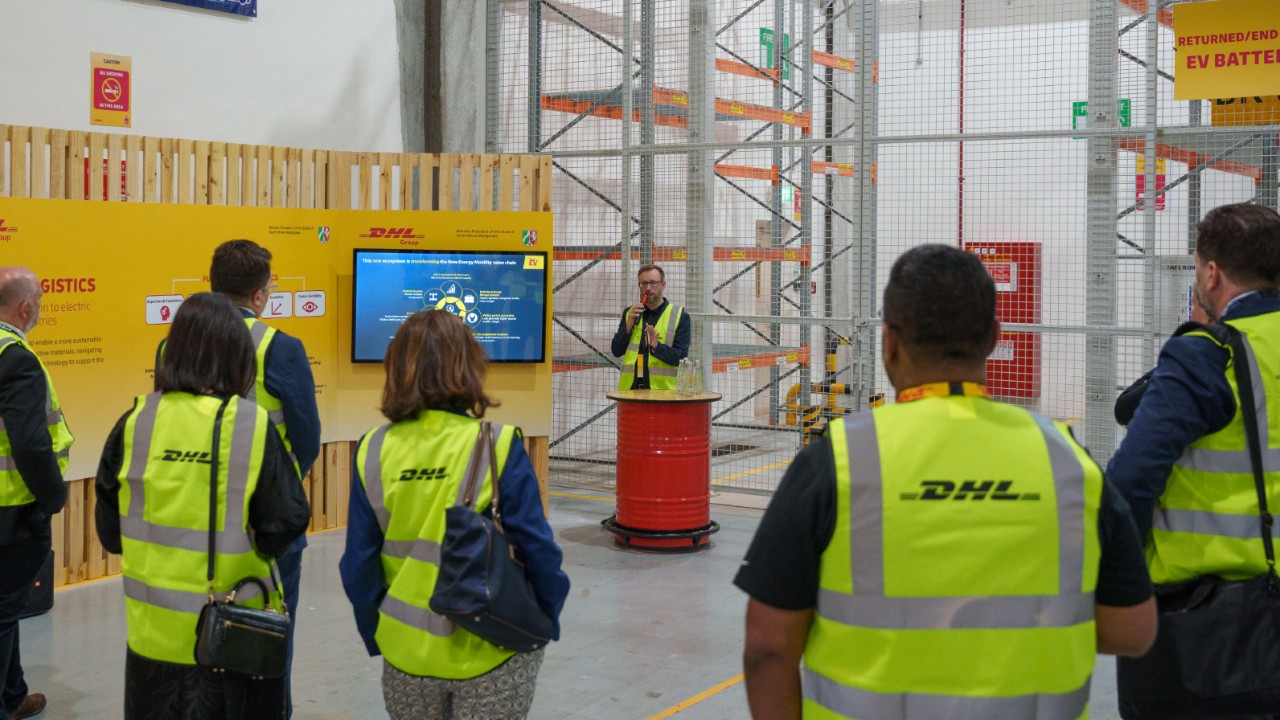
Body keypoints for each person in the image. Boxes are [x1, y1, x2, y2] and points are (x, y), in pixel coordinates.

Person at [735, 244, 1157, 720]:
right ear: (994, 338)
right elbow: (1133, 632)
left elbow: (768, 648)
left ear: (890, 341)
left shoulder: (838, 460)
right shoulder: (1067, 460)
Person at [340, 310, 569, 720]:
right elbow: (539, 551)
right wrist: (545, 617)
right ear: (468, 365)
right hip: (492, 649)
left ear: (395, 368)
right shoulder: (498, 445)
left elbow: (358, 566)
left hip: (407, 657)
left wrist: (382, 636)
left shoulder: (371, 450)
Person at [95, 292, 309, 720]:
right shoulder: (248, 425)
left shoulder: (135, 423)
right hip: (233, 641)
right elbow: (287, 520)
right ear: (237, 356)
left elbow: (110, 535)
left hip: (151, 644)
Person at [1107, 203, 1280, 719]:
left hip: (1213, 639)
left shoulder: (1210, 354)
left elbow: (1131, 480)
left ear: (1211, 273)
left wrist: (1117, 583)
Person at [190, 239, 319, 717]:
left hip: (193, 517)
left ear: (212, 284)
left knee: (197, 640)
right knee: (269, 640)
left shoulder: (175, 346)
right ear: (260, 295)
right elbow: (307, 439)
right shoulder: (280, 347)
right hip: (267, 525)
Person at [0, 267, 73, 720]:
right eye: (41, 302)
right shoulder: (16, 358)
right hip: (12, 511)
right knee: (3, 612)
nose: (41, 309)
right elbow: (29, 443)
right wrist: (53, 497)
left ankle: (13, 697)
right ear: (25, 307)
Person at [610, 264, 691, 390]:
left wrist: (657, 347)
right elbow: (616, 351)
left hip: (662, 392)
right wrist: (628, 325)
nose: (648, 288)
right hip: (632, 389)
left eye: (653, 283)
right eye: (643, 284)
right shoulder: (630, 313)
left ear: (663, 285)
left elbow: (681, 357)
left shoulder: (680, 316)